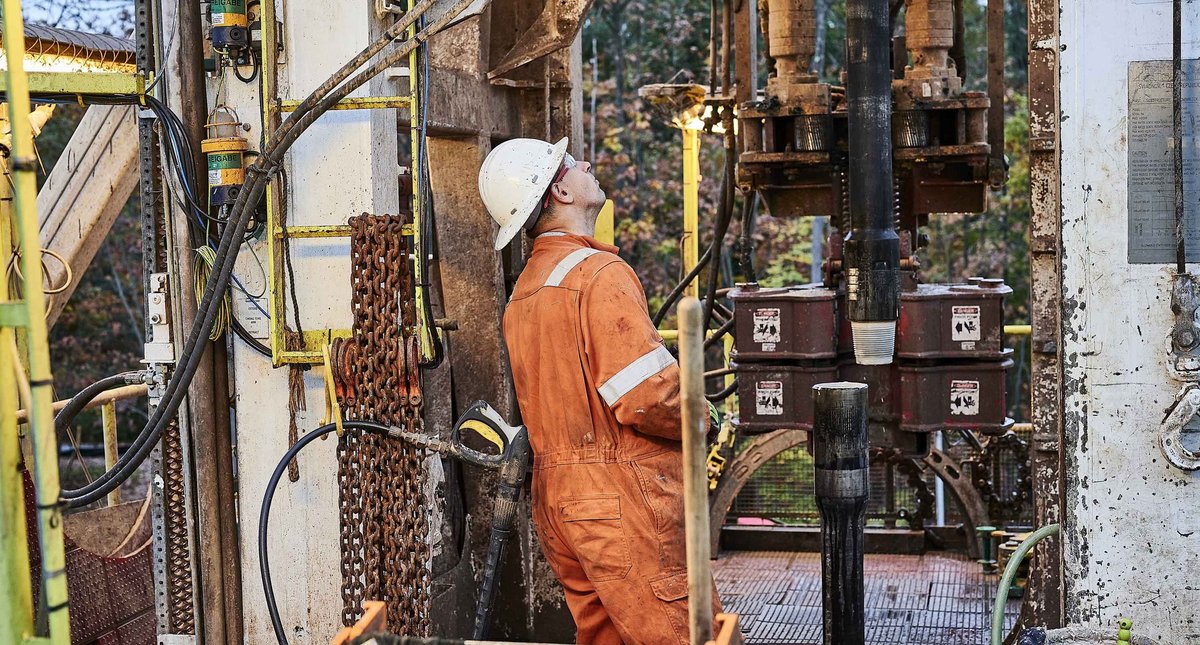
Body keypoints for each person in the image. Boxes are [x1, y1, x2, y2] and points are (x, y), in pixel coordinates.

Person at [478, 137, 722, 644]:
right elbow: (646, 395)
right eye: (571, 163)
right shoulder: (599, 275)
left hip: (559, 501)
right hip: (619, 500)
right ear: (561, 192)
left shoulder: (525, 291)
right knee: (686, 634)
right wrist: (705, 419)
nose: (585, 164)